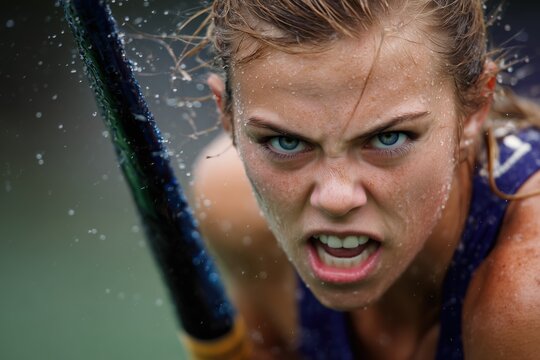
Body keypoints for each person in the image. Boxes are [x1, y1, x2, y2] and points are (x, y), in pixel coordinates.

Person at [190, 1, 540, 358]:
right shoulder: (239, 218)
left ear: (474, 110)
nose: (336, 198)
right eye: (287, 142)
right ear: (227, 118)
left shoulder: (527, 298)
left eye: (388, 138)